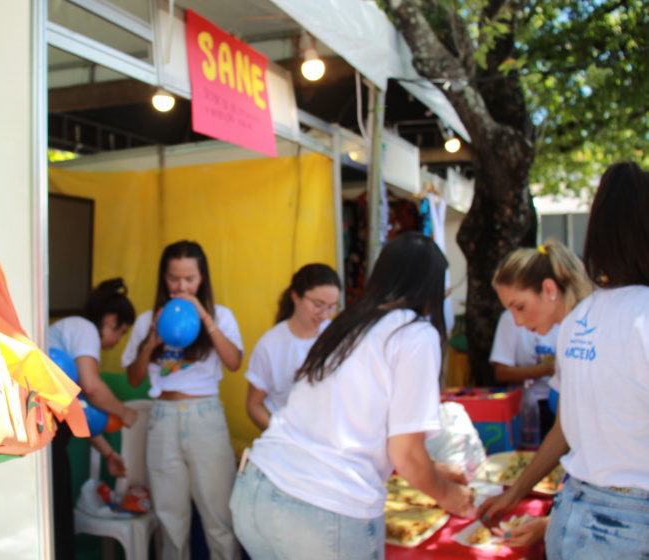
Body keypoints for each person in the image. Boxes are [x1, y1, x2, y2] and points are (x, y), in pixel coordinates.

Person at [229, 233, 474, 560]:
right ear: (429, 290)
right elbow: (406, 454)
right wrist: (448, 494)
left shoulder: (346, 325)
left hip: (256, 491)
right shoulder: (415, 334)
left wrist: (434, 470)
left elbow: (351, 431)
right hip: (320, 508)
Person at [478, 161, 649, 559]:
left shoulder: (579, 320)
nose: (518, 320)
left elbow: (567, 427)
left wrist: (518, 493)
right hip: (627, 519)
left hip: (575, 511)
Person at [122, 240, 244, 560]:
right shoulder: (149, 318)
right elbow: (133, 378)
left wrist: (204, 316)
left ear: (202, 277)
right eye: (174, 279)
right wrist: (151, 342)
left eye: (190, 279)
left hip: (206, 417)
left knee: (219, 519)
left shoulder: (221, 315)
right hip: (162, 417)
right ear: (164, 278)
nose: (182, 287)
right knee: (170, 520)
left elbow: (234, 362)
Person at [48, 277, 137, 560]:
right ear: (110, 320)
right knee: (57, 524)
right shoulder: (84, 328)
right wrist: (125, 412)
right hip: (47, 438)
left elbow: (79, 410)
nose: (115, 343)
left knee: (58, 520)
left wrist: (108, 452)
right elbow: (93, 388)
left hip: (50, 437)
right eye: (120, 333)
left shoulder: (68, 331)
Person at [490, 239, 592, 437]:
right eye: (510, 311)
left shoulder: (585, 331)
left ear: (549, 290)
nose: (518, 322)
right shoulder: (570, 331)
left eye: (520, 307)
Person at [245, 263, 341, 431]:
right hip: (290, 437)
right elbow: (254, 405)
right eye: (318, 305)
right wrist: (279, 432)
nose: (325, 314)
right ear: (296, 296)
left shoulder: (336, 335)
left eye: (332, 306)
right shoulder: (270, 346)